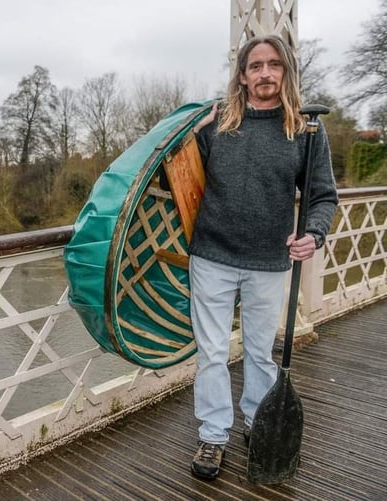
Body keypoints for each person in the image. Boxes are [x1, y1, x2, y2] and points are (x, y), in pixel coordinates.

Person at [187, 34, 338, 480]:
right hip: (211, 254)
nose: (265, 73)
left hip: (270, 260)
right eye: (256, 66)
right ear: (243, 74)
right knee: (211, 353)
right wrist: (191, 136)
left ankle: (258, 422)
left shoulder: (305, 128)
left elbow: (322, 195)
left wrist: (314, 233)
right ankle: (213, 436)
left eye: (274, 65)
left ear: (286, 71)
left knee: (259, 353)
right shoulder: (218, 124)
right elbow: (178, 177)